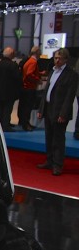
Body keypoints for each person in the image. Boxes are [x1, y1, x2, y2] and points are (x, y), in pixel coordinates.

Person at [36, 48, 78, 176]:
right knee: (49, 136)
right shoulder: (52, 72)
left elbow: (69, 97)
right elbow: (46, 92)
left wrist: (63, 114)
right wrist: (41, 109)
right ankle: (49, 161)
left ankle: (57, 165)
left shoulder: (71, 74)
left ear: (66, 59)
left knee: (58, 139)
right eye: (55, 58)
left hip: (60, 111)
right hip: (48, 108)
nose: (57, 60)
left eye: (60, 58)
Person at [0, 47, 21, 132]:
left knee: (0, 109)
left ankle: (0, 125)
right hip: (9, 92)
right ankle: (6, 125)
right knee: (7, 109)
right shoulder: (13, 65)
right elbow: (17, 78)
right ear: (11, 54)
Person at [17, 46, 43, 131]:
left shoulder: (29, 61)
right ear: (37, 52)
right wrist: (37, 80)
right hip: (29, 87)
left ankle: (23, 122)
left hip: (25, 87)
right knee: (27, 107)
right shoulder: (33, 62)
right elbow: (29, 74)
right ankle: (26, 124)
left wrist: (39, 73)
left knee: (23, 106)